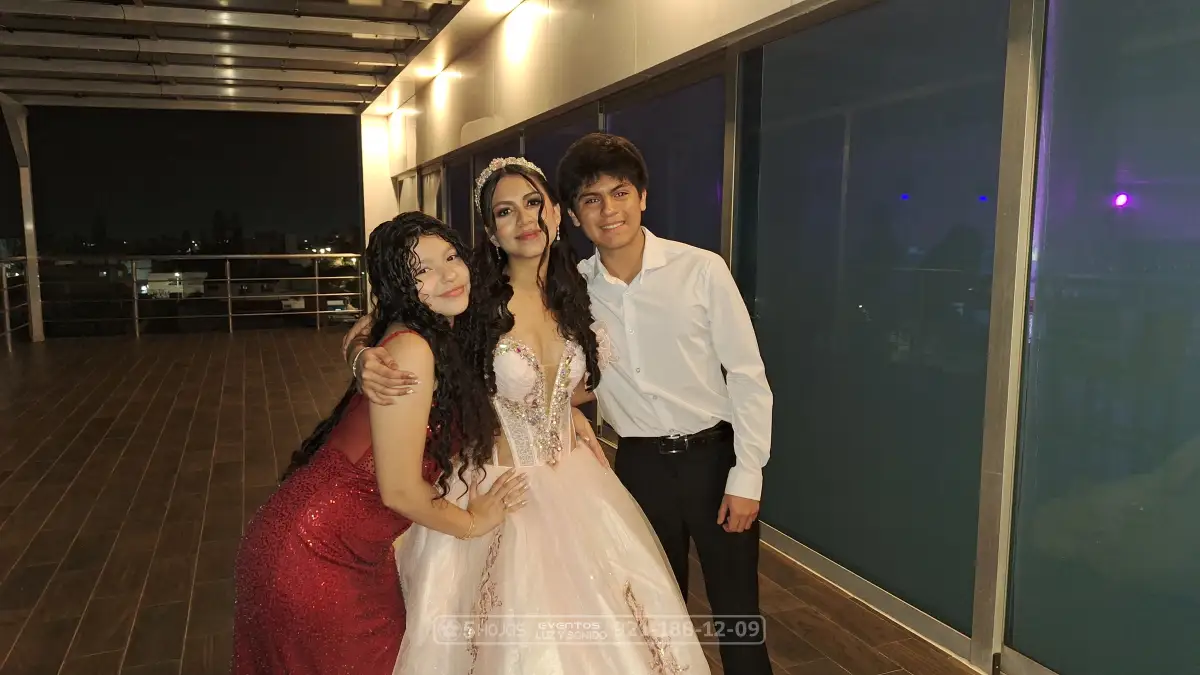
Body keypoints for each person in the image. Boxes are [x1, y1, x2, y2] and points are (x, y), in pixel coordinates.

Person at [344, 157, 710, 675]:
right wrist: (361, 357)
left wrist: (570, 411)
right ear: (491, 231)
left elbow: (565, 384)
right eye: (505, 211)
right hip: (499, 485)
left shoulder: (579, 291)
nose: (525, 220)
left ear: (556, 213)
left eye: (534, 203)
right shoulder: (469, 299)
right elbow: (379, 326)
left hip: (578, 481)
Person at [232, 212, 530, 675]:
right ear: (400, 286)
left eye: (451, 257)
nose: (448, 274)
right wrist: (474, 522)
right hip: (315, 553)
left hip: (347, 549)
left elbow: (361, 335)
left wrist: (357, 354)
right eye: (422, 269)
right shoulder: (413, 347)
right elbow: (400, 491)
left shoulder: (438, 329)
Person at [557, 133, 775, 674]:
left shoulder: (700, 269)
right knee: (655, 616)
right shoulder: (573, 291)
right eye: (591, 199)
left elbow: (747, 375)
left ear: (643, 197)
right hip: (637, 466)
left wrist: (748, 475)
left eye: (620, 192)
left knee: (738, 616)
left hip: (714, 459)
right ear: (574, 215)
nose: (609, 210)